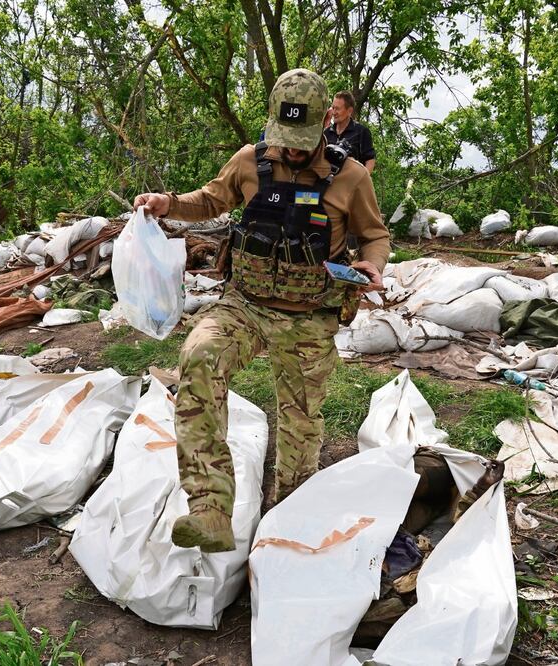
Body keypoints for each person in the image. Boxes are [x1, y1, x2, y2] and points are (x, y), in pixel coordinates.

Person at [133, 69, 390, 553]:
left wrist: (371, 264)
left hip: (309, 314)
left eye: (301, 142)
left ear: (324, 127)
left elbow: (375, 235)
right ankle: (209, 508)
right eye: (284, 140)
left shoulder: (350, 176)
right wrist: (168, 203)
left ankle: (288, 521)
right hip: (244, 305)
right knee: (199, 357)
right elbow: (209, 199)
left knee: (301, 422)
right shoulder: (249, 162)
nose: (291, 151)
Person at [324, 91, 376, 173]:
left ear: (349, 111)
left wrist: (361, 180)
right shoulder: (326, 133)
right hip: (328, 182)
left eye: (337, 109)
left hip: (351, 182)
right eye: (333, 108)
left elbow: (370, 160)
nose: (334, 112)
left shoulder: (362, 132)